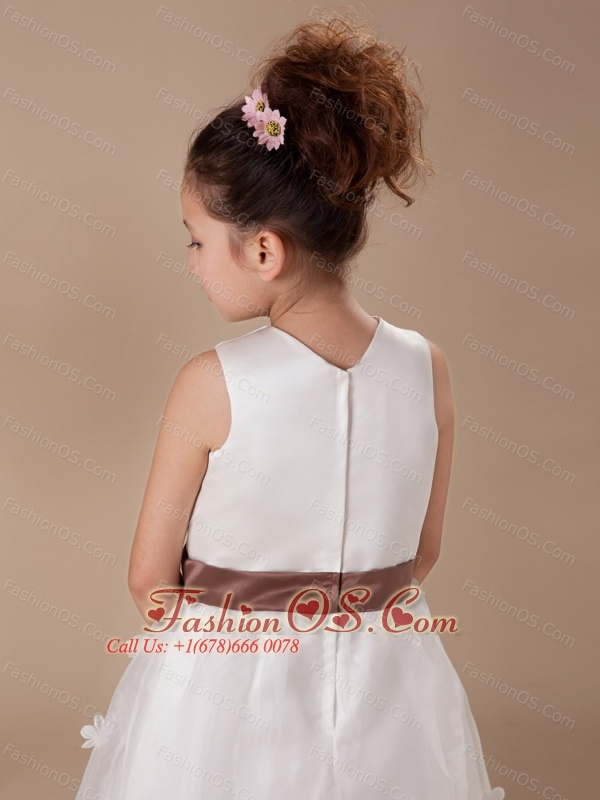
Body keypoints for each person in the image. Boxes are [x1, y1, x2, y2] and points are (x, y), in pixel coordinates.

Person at [75, 14, 505, 800]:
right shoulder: (429, 369)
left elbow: (149, 580)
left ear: (265, 250)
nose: (190, 262)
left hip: (229, 694)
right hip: (389, 686)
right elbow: (421, 555)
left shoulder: (211, 383)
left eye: (197, 240)